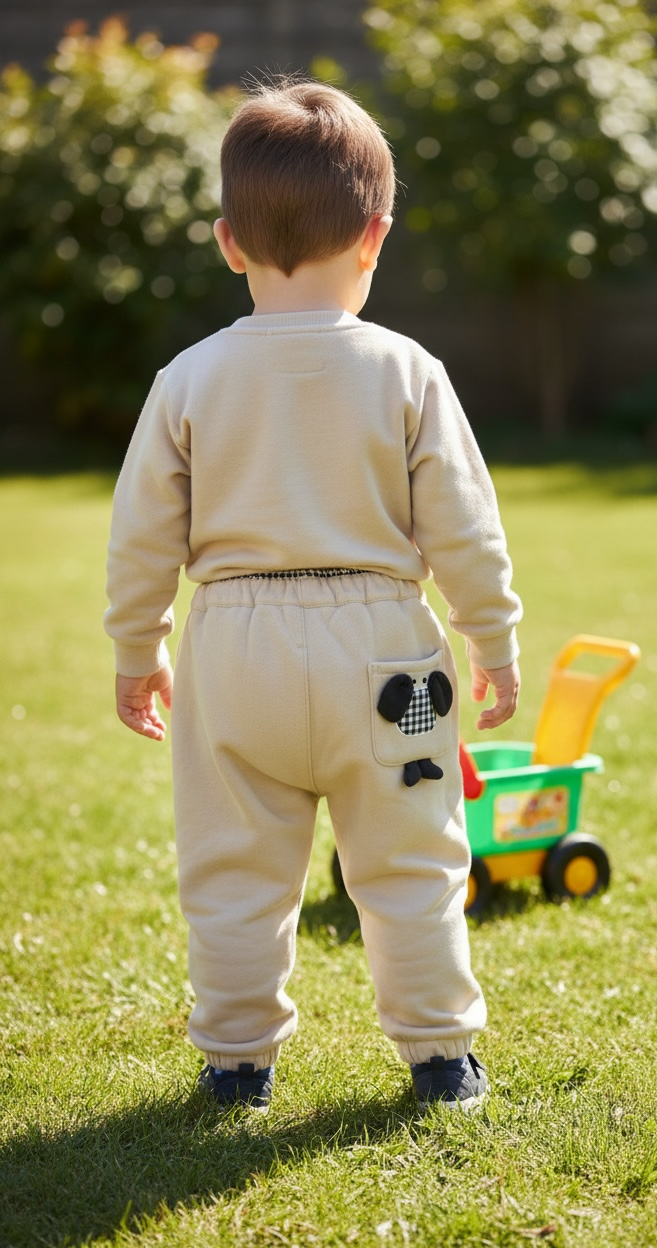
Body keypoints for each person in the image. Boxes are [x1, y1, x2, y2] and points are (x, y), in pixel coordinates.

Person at [104, 79, 522, 1113]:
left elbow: (141, 535)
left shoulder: (188, 379)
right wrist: (493, 639)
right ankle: (440, 1059)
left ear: (228, 241)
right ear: (376, 236)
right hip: (384, 647)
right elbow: (463, 525)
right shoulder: (406, 370)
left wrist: (136, 648)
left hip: (233, 646)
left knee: (234, 871)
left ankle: (236, 1062)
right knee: (412, 863)